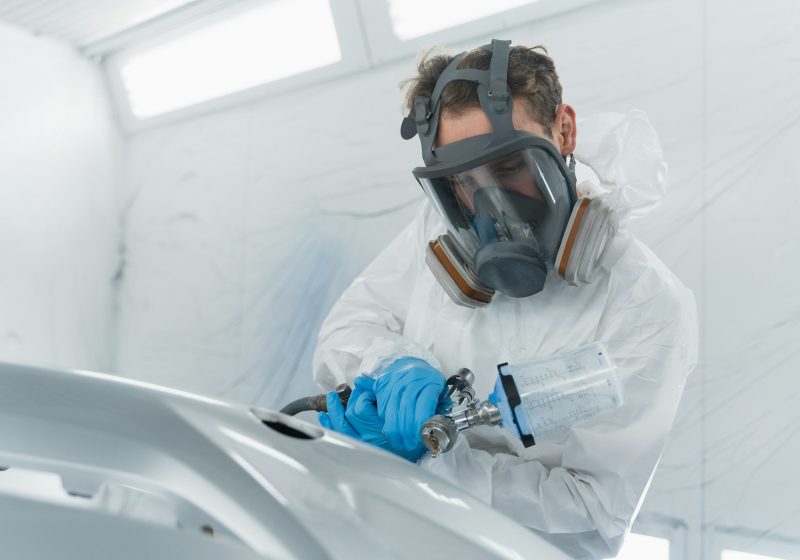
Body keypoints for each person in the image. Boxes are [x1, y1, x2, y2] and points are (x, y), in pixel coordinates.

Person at [311, 39, 698, 559]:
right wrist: (392, 363)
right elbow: (346, 331)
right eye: (464, 180)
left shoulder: (643, 303)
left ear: (564, 131)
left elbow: (594, 516)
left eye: (511, 166)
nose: (490, 207)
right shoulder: (439, 228)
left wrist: (435, 460)